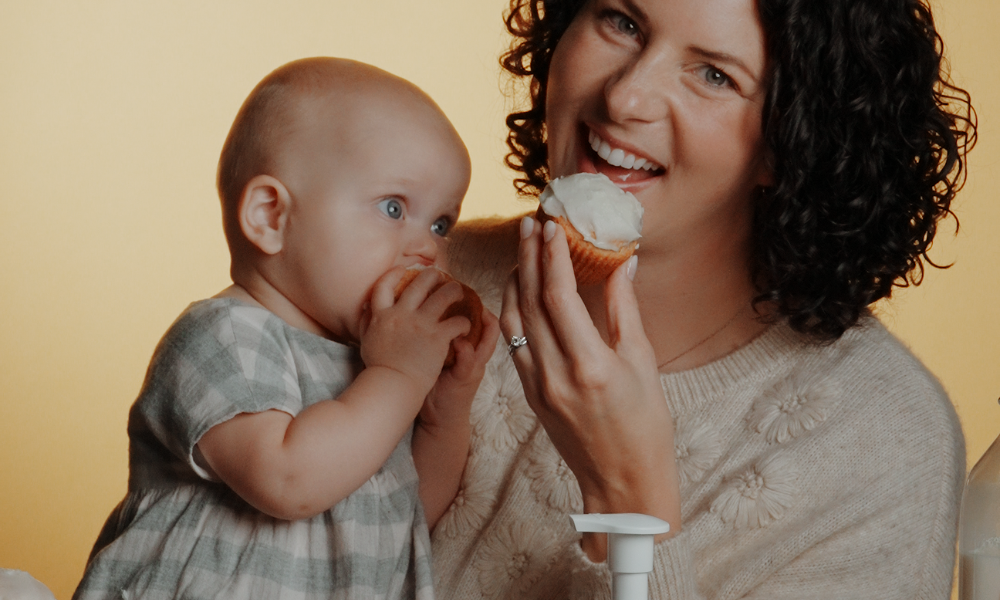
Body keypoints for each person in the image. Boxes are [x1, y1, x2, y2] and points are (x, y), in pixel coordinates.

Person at [430, 0, 976, 598]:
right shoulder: (420, 271)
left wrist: (628, 499)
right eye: (622, 22)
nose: (625, 99)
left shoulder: (882, 446)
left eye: (715, 74)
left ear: (791, 136)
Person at [73, 57, 499, 599]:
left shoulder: (373, 368)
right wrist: (399, 377)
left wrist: (444, 409)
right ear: (272, 216)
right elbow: (288, 481)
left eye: (442, 223)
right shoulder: (223, 336)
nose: (427, 248)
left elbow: (409, 513)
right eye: (393, 207)